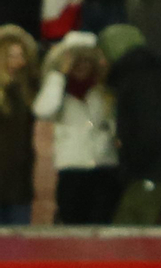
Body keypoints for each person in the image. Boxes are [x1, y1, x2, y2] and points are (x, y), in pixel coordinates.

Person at [105, 24, 161, 226]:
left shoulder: (139, 80)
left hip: (153, 174)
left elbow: (152, 131)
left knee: (126, 238)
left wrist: (132, 163)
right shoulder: (160, 75)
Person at [33, 32, 119, 225]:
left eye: (86, 62)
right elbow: (43, 110)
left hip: (104, 168)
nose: (81, 67)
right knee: (72, 225)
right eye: (77, 62)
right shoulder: (58, 90)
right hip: (71, 169)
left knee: (102, 226)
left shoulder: (104, 91)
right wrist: (59, 75)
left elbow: (116, 125)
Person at [0, 26, 40, 224]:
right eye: (11, 56)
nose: (19, 62)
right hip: (10, 181)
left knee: (18, 248)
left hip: (19, 186)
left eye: (21, 55)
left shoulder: (27, 91)